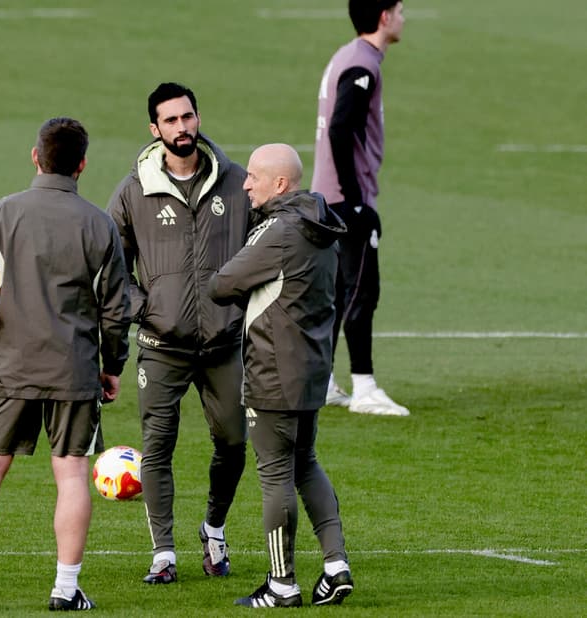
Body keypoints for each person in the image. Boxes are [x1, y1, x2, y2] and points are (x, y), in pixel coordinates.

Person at [0, 117, 131, 611]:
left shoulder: (1, 214)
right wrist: (113, 366)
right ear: (82, 164)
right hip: (75, 370)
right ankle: (65, 590)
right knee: (70, 475)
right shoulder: (99, 224)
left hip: (10, 368)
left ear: (35, 156)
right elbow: (115, 308)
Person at [107, 82, 251, 584]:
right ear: (155, 129)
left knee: (234, 442)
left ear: (198, 117)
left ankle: (213, 528)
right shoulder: (133, 191)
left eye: (187, 117)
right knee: (158, 446)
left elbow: (268, 247)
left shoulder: (237, 183)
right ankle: (163, 553)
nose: (182, 128)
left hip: (225, 343)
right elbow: (110, 266)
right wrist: (144, 306)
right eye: (170, 121)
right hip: (161, 346)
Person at [208, 144, 353, 607]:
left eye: (253, 176)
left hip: (273, 370)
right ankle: (335, 565)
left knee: (275, 476)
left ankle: (282, 583)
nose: (246, 184)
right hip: (312, 369)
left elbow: (222, 284)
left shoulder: (278, 230)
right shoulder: (321, 224)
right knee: (306, 464)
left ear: (281, 184)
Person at [311, 0, 410, 416]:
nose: (405, 17)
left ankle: (324, 381)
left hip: (330, 195)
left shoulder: (349, 55)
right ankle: (365, 387)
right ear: (384, 16)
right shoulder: (362, 65)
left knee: (336, 292)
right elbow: (340, 126)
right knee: (360, 289)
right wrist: (354, 202)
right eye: (401, 9)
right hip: (345, 199)